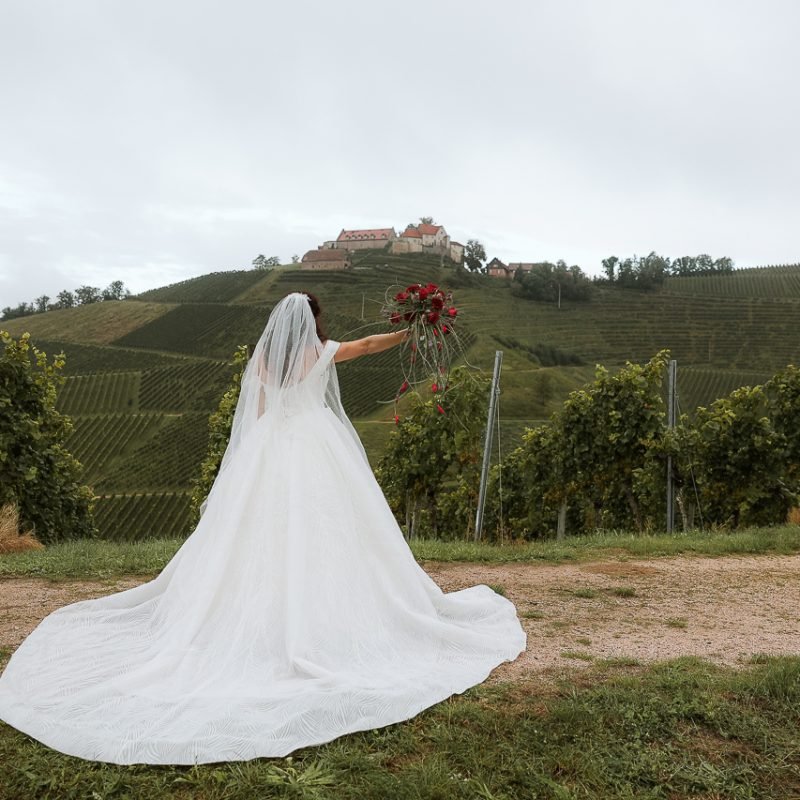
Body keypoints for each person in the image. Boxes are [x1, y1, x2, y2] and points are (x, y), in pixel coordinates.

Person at [0, 291, 526, 765]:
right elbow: (367, 346)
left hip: (271, 446)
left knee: (258, 533)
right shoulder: (321, 353)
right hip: (317, 445)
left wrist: (249, 456)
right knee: (332, 528)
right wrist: (409, 330)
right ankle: (333, 610)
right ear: (312, 323)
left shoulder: (264, 359)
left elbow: (252, 412)